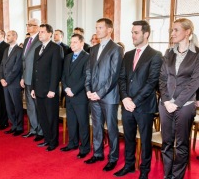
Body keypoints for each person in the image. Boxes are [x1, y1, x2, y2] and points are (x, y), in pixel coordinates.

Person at [115, 20, 162, 179]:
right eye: (132, 32)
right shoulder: (128, 54)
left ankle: (144, 170)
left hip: (144, 106)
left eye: (136, 32)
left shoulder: (155, 55)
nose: (133, 35)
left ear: (146, 34)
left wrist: (134, 101)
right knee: (128, 138)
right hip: (127, 105)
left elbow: (152, 82)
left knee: (145, 140)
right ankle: (129, 165)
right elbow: (121, 79)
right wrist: (125, 98)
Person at [159, 18, 199, 179]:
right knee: (166, 143)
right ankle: (167, 175)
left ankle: (176, 177)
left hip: (185, 105)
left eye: (176, 30)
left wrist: (177, 103)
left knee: (181, 145)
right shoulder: (168, 52)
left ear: (187, 32)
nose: (172, 33)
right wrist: (167, 100)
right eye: (171, 30)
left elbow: (195, 82)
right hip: (166, 104)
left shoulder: (197, 54)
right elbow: (162, 78)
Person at [84, 18, 123, 172]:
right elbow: (88, 71)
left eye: (100, 27)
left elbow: (114, 76)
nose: (97, 30)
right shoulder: (93, 49)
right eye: (96, 27)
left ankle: (113, 158)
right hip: (93, 95)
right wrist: (88, 90)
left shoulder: (116, 49)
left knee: (112, 128)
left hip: (108, 96)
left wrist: (99, 93)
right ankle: (98, 153)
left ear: (109, 30)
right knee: (97, 126)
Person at [31, 24, 63, 151]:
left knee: (52, 117)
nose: (40, 34)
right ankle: (47, 139)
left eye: (43, 32)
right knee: (43, 117)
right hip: (38, 89)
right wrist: (33, 87)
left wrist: (52, 89)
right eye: (39, 32)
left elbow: (56, 70)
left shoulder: (55, 48)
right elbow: (35, 70)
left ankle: (53, 142)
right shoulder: (37, 48)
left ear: (50, 34)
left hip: (49, 90)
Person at [60, 33, 90, 158]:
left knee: (83, 123)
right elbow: (63, 75)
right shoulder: (68, 57)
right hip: (68, 94)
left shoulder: (87, 57)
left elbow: (86, 77)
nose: (72, 44)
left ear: (82, 43)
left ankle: (84, 148)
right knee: (71, 121)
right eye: (71, 42)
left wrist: (74, 90)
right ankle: (72, 143)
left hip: (80, 95)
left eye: (75, 42)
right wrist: (66, 88)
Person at [20, 18, 44, 141]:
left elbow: (38, 63)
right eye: (27, 24)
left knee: (38, 106)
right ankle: (33, 129)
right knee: (30, 106)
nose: (27, 26)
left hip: (35, 80)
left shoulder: (40, 40)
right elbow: (24, 61)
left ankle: (41, 131)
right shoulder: (26, 40)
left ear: (37, 27)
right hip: (26, 79)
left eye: (30, 25)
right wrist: (22, 77)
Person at [0, 30, 23, 136]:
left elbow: (17, 68)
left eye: (9, 35)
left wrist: (7, 80)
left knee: (17, 106)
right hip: (5, 83)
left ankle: (19, 127)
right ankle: (13, 125)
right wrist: (1, 78)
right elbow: (1, 65)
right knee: (9, 106)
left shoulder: (19, 50)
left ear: (15, 37)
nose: (7, 37)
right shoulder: (6, 50)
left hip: (13, 83)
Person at [0, 30, 9, 130]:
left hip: (2, 78)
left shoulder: (5, 46)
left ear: (2, 35)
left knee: (3, 101)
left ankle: (3, 121)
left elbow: (3, 64)